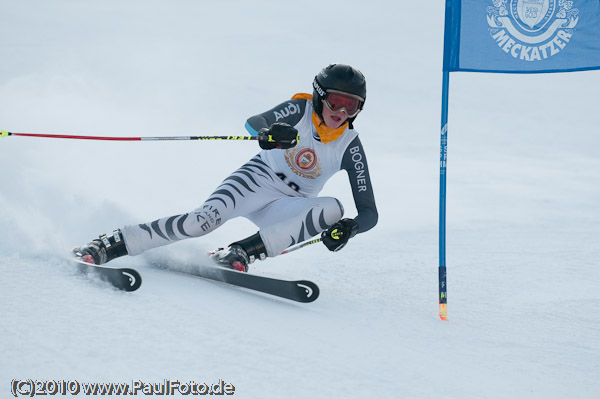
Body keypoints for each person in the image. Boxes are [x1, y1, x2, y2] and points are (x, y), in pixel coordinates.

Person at [73, 64, 378, 272]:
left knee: (333, 209)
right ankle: (112, 243)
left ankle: (240, 252)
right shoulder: (300, 109)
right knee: (200, 223)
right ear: (320, 95)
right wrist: (269, 134)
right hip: (256, 181)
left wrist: (350, 228)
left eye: (350, 106)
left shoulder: (349, 145)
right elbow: (254, 123)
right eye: (336, 101)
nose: (340, 112)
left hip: (287, 205)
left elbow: (369, 213)